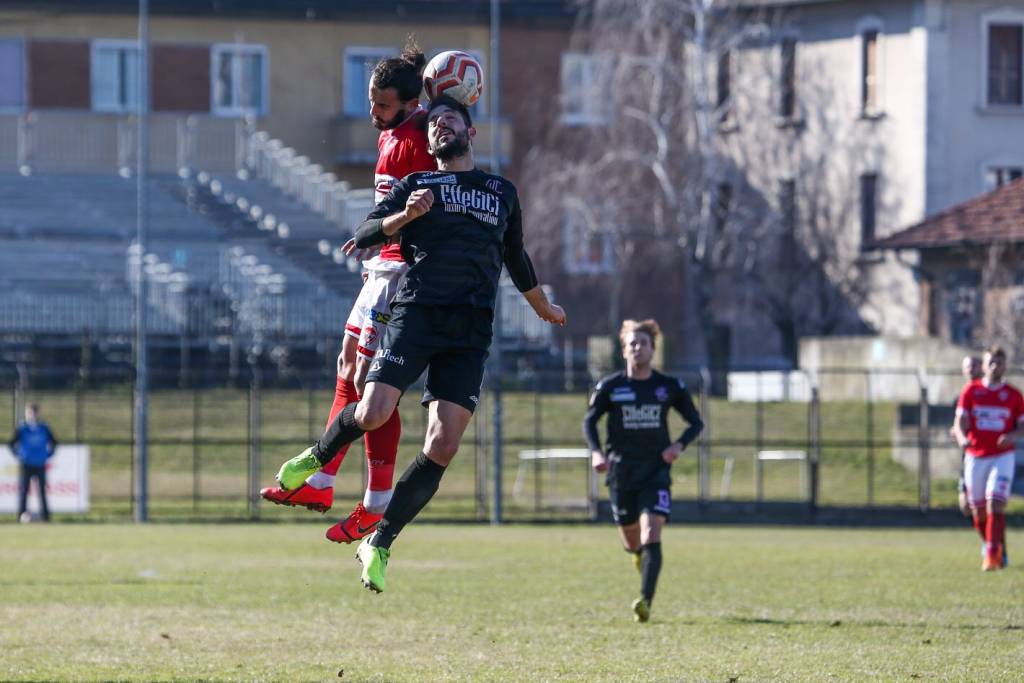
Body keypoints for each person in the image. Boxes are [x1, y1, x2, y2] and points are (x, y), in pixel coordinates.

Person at [274, 95, 566, 593]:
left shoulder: (501, 191)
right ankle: (316, 459)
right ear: (428, 142)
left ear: (471, 133)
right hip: (418, 315)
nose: (440, 128)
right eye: (433, 124)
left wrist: (541, 305)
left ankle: (380, 542)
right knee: (372, 412)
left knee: (443, 444)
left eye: (450, 121)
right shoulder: (417, 185)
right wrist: (403, 217)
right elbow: (365, 232)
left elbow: (515, 255)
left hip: (471, 331)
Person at [260, 42, 437, 544]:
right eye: (371, 101)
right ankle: (320, 483)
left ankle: (376, 503)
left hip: (401, 273)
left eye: (382, 105)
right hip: (379, 267)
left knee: (371, 382)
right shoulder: (391, 136)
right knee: (345, 364)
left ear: (409, 102)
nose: (373, 113)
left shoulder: (422, 133)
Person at [583, 319, 703, 623]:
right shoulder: (611, 387)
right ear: (624, 350)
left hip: (655, 471)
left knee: (652, 531)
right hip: (621, 471)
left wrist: (678, 445)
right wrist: (597, 452)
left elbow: (696, 422)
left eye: (644, 343)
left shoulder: (669, 387)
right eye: (632, 344)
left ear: (653, 349)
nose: (638, 348)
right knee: (632, 540)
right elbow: (589, 421)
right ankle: (638, 556)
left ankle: (645, 602)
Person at [952, 345, 1024, 571]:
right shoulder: (970, 392)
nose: (995, 366)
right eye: (990, 362)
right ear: (983, 366)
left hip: (1002, 457)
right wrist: (962, 438)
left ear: (1005, 366)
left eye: (999, 362)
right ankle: (993, 547)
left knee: (996, 502)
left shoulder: (1013, 395)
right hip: (975, 456)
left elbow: (1022, 426)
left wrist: (1012, 435)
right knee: (977, 510)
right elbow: (960, 421)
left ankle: (992, 556)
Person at [9, 403, 58, 522]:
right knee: (24, 491)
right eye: (29, 412)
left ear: (38, 413)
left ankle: (46, 517)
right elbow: (11, 443)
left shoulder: (44, 428)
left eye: (34, 412)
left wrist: (48, 455)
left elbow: (54, 442)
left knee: (42, 491)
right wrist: (19, 455)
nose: (32, 415)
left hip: (40, 464)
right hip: (26, 464)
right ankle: (20, 516)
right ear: (27, 414)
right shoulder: (22, 428)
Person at [950, 355, 982, 518]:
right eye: (968, 367)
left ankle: (994, 541)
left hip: (989, 453)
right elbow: (956, 424)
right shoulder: (960, 397)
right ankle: (989, 539)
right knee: (966, 505)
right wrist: (957, 433)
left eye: (975, 366)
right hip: (969, 455)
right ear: (963, 371)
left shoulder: (988, 393)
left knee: (991, 503)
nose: (971, 370)